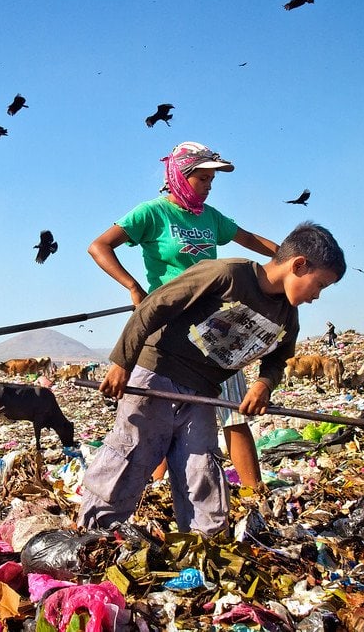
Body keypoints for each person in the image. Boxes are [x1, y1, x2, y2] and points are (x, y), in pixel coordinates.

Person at [78, 222, 346, 535]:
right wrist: (122, 362)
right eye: (319, 285)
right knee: (131, 456)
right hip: (157, 376)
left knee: (201, 469)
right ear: (298, 265)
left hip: (203, 393)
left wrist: (263, 384)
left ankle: (204, 543)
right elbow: (155, 306)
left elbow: (278, 357)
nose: (316, 296)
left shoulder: (287, 313)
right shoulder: (228, 275)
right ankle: (94, 537)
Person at [88, 140, 280, 482]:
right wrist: (133, 287)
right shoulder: (152, 213)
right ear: (180, 175)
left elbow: (251, 240)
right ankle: (158, 485)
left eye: (211, 181)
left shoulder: (211, 218)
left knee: (234, 411)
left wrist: (291, 259)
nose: (208, 188)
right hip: (171, 325)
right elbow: (99, 246)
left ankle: (255, 493)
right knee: (161, 412)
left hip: (218, 326)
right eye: (202, 179)